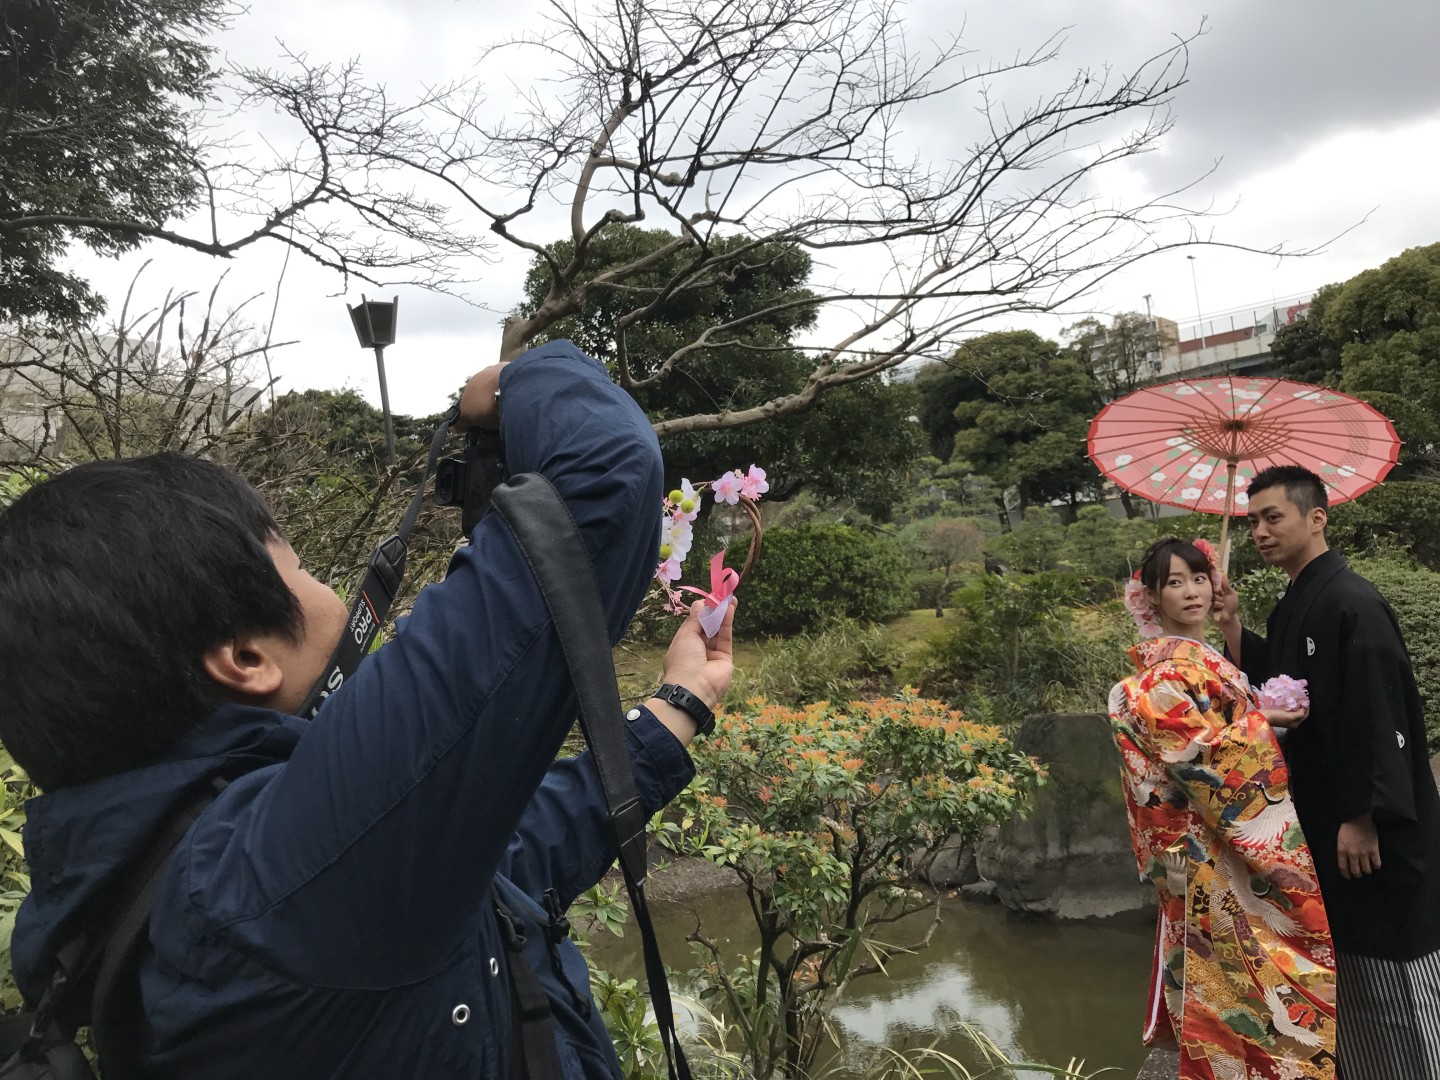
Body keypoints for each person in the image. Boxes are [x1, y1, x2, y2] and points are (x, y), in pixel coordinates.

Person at [0, 340, 734, 1078]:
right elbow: (608, 470)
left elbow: (500, 861)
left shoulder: (182, 873)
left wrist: (677, 707)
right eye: (301, 570)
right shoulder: (275, 884)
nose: (331, 591)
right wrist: (515, 384)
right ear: (247, 659)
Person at [1215, 464, 1440, 1077]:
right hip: (1324, 816)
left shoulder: (1352, 602)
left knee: (1390, 957)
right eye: (1253, 520)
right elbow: (1281, 687)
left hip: (1365, 827)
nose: (1260, 531)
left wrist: (1363, 815)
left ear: (1317, 518)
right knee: (1350, 959)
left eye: (1273, 517)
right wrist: (1233, 623)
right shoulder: (1297, 602)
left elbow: (1377, 711)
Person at [1109, 537, 1337, 1079]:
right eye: (1173, 582)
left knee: (1253, 966)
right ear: (1152, 597)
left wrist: (1252, 709)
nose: (1190, 591)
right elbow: (1196, 754)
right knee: (1236, 968)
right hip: (1208, 844)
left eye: (1198, 578)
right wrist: (1267, 724)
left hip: (1221, 837)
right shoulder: (1163, 675)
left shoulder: (1206, 660)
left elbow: (1221, 730)